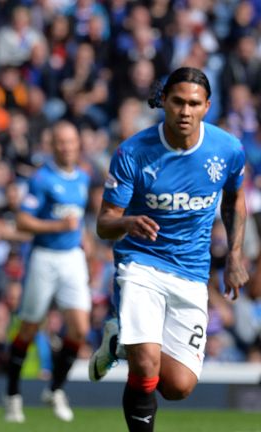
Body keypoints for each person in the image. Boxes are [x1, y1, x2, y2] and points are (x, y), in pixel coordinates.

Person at [88, 67, 248, 432]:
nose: (185, 111)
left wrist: (235, 255)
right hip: (141, 263)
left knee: (178, 386)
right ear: (164, 102)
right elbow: (103, 222)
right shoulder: (133, 152)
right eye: (178, 101)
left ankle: (120, 341)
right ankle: (133, 348)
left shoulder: (227, 149)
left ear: (207, 106)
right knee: (146, 367)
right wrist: (128, 222)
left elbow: (235, 200)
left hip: (191, 272)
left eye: (194, 103)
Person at [3, 121, 90, 423]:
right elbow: (23, 221)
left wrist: (82, 240)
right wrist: (57, 226)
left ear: (78, 144)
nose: (67, 147)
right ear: (53, 146)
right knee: (29, 327)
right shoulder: (42, 179)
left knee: (79, 328)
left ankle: (55, 389)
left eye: (71, 141)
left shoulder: (83, 178)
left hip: (72, 257)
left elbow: (77, 221)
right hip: (44, 257)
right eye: (61, 142)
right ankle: (13, 395)